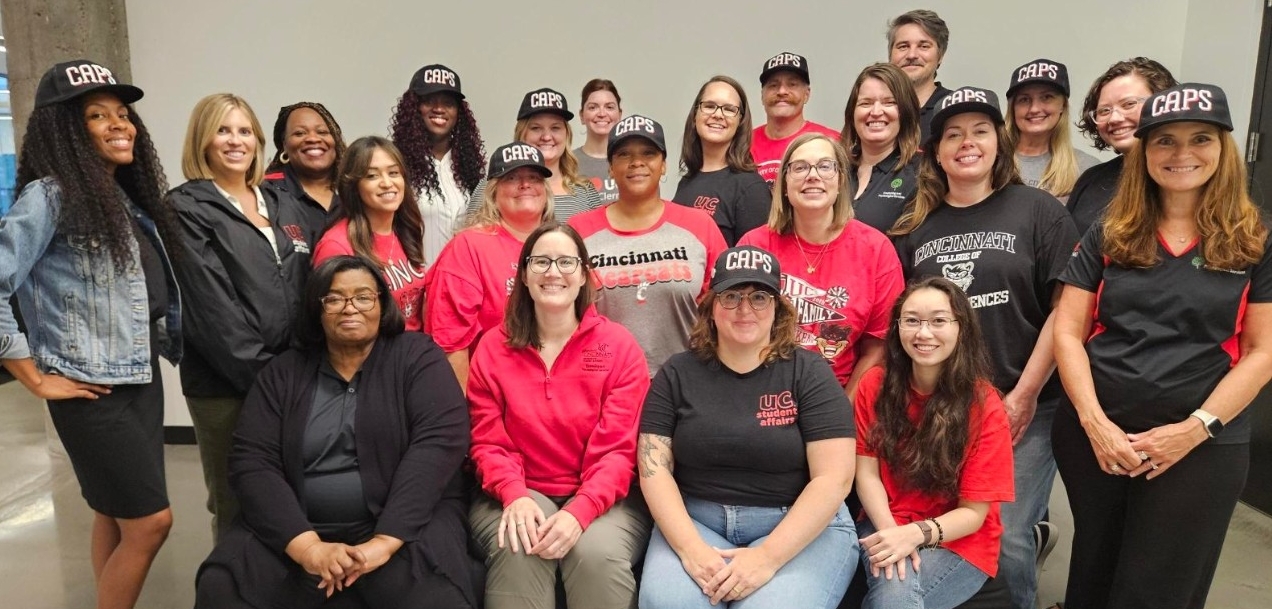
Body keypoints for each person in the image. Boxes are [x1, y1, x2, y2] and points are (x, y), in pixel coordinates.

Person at [1052, 83, 1272, 609]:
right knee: (1093, 576)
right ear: (1144, 151)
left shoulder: (1253, 240)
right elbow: (1067, 330)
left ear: (1224, 148)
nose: (1182, 154)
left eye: (1200, 139)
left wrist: (1194, 430)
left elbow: (1262, 351)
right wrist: (1095, 424)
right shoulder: (1112, 231)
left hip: (1200, 447)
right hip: (1098, 440)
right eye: (1164, 141)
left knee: (1158, 589)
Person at [194, 255, 480, 609]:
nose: (350, 308)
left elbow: (439, 445)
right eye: (334, 298)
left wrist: (383, 543)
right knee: (222, 588)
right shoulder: (284, 372)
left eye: (363, 296)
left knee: (437, 598)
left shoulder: (418, 358)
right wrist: (309, 548)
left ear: (381, 303)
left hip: (402, 525)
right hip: (299, 526)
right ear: (317, 309)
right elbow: (252, 461)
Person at [0, 59, 182, 609]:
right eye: (97, 116)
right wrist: (31, 375)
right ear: (67, 131)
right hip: (89, 389)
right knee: (152, 523)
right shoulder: (49, 197)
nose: (119, 124)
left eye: (123, 114)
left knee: (114, 512)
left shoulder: (122, 199)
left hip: (136, 379)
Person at [891, 86, 1079, 609]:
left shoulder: (1038, 210)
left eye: (978, 131)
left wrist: (1023, 393)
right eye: (952, 133)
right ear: (934, 150)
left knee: (1012, 539)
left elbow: (1066, 310)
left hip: (1026, 405)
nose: (966, 143)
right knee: (947, 536)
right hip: (942, 410)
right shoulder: (915, 226)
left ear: (999, 141)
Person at [637, 245, 857, 609]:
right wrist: (691, 550)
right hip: (698, 521)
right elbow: (653, 469)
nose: (744, 309)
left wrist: (768, 557)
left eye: (759, 297)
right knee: (670, 603)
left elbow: (833, 479)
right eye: (731, 296)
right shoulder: (678, 372)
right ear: (710, 307)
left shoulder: (810, 372)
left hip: (795, 523)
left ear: (777, 309)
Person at [467, 223, 651, 609]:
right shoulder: (492, 347)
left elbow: (618, 452)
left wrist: (580, 511)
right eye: (541, 261)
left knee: (594, 554)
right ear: (523, 273)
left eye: (566, 261)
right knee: (520, 544)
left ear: (584, 273)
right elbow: (487, 443)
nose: (553, 272)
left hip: (606, 497)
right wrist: (514, 496)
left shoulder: (618, 346)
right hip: (516, 490)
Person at [169, 92, 316, 541]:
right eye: (223, 130)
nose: (236, 141)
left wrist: (304, 371)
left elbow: (307, 286)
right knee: (238, 503)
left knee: (294, 497)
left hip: (294, 377)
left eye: (244, 130)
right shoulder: (185, 208)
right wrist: (274, 380)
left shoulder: (283, 203)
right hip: (226, 388)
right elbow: (213, 313)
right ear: (203, 139)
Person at [854, 276, 1015, 609]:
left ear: (961, 328)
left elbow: (973, 513)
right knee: (894, 595)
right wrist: (892, 533)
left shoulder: (984, 404)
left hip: (960, 538)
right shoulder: (874, 384)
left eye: (938, 321)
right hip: (886, 519)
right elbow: (866, 474)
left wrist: (912, 536)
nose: (923, 333)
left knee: (893, 600)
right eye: (912, 321)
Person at [738, 133, 903, 400]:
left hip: (837, 397)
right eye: (800, 167)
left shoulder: (875, 249)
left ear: (840, 181)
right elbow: (733, 332)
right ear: (783, 184)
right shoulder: (754, 246)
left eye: (825, 166)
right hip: (758, 396)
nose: (812, 176)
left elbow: (879, 347)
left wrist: (841, 409)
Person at [569, 115, 727, 377]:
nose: (637, 162)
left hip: (687, 381)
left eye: (649, 153)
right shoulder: (579, 231)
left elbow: (724, 303)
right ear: (610, 167)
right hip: (605, 383)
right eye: (624, 154)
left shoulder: (699, 225)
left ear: (663, 165)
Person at [427, 142, 553, 388]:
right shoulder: (469, 246)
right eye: (512, 177)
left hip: (554, 396)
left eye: (534, 177)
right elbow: (450, 340)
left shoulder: (561, 244)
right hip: (491, 396)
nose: (525, 184)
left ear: (546, 190)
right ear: (493, 192)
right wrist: (462, 416)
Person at [312, 136, 427, 331]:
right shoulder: (337, 245)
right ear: (354, 186)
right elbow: (333, 326)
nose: (387, 183)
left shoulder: (406, 229)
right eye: (372, 176)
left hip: (414, 351)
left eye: (393, 173)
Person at [389, 63, 485, 266]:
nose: (439, 109)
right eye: (429, 101)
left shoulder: (471, 168)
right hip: (412, 284)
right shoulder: (394, 163)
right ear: (413, 107)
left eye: (448, 103)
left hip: (461, 286)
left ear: (459, 112)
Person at [1068, 57, 1176, 236]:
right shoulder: (1091, 179)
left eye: (1129, 104)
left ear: (1163, 103)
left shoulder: (1184, 178)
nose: (1115, 118)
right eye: (1104, 110)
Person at [466, 88, 603, 222]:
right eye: (536, 128)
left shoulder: (585, 191)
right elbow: (470, 239)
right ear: (522, 133)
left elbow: (600, 242)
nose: (546, 136)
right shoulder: (492, 185)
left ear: (567, 134)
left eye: (555, 128)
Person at [671, 75, 770, 246]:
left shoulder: (750, 188)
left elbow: (756, 267)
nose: (718, 114)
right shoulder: (687, 182)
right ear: (695, 115)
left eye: (729, 109)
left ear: (740, 122)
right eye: (709, 106)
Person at [841, 62, 923, 234]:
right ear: (852, 112)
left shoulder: (922, 173)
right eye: (866, 103)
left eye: (889, 102)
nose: (876, 111)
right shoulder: (834, 168)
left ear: (905, 111)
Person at [1004, 59, 1099, 203]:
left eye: (1047, 97)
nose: (1034, 109)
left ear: (1062, 106)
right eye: (1024, 99)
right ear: (1013, 108)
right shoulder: (991, 162)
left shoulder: (1087, 169)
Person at [751, 52, 840, 184]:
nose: (782, 91)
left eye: (792, 84)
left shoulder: (832, 141)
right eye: (773, 85)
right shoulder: (743, 144)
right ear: (762, 95)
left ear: (807, 94)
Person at [263, 101, 347, 233]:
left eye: (322, 132)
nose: (313, 139)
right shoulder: (265, 190)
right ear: (284, 145)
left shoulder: (353, 191)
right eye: (300, 133)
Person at [886, 9, 953, 143]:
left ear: (940, 55)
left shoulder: (954, 109)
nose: (912, 55)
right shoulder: (874, 111)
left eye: (923, 46)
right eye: (903, 46)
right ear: (890, 55)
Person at [574, 79, 623, 203]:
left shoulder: (633, 162)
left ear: (619, 115)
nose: (602, 113)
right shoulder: (567, 163)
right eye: (593, 107)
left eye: (609, 107)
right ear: (581, 116)